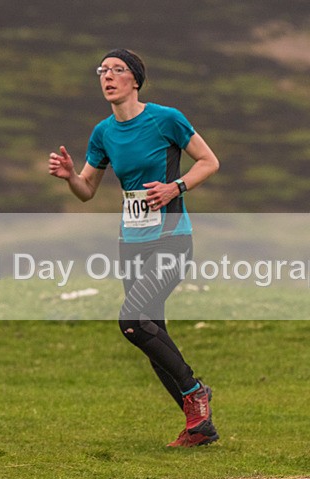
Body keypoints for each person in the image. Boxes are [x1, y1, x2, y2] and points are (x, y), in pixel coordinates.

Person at [48, 49, 220, 447]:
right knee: (152, 335)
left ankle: (195, 391)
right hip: (132, 244)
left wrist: (176, 187)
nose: (107, 76)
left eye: (117, 70)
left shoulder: (166, 119)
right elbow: (87, 191)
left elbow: (209, 161)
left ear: (135, 80)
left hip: (172, 239)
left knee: (133, 322)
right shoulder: (103, 133)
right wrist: (71, 176)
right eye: (102, 70)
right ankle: (200, 427)